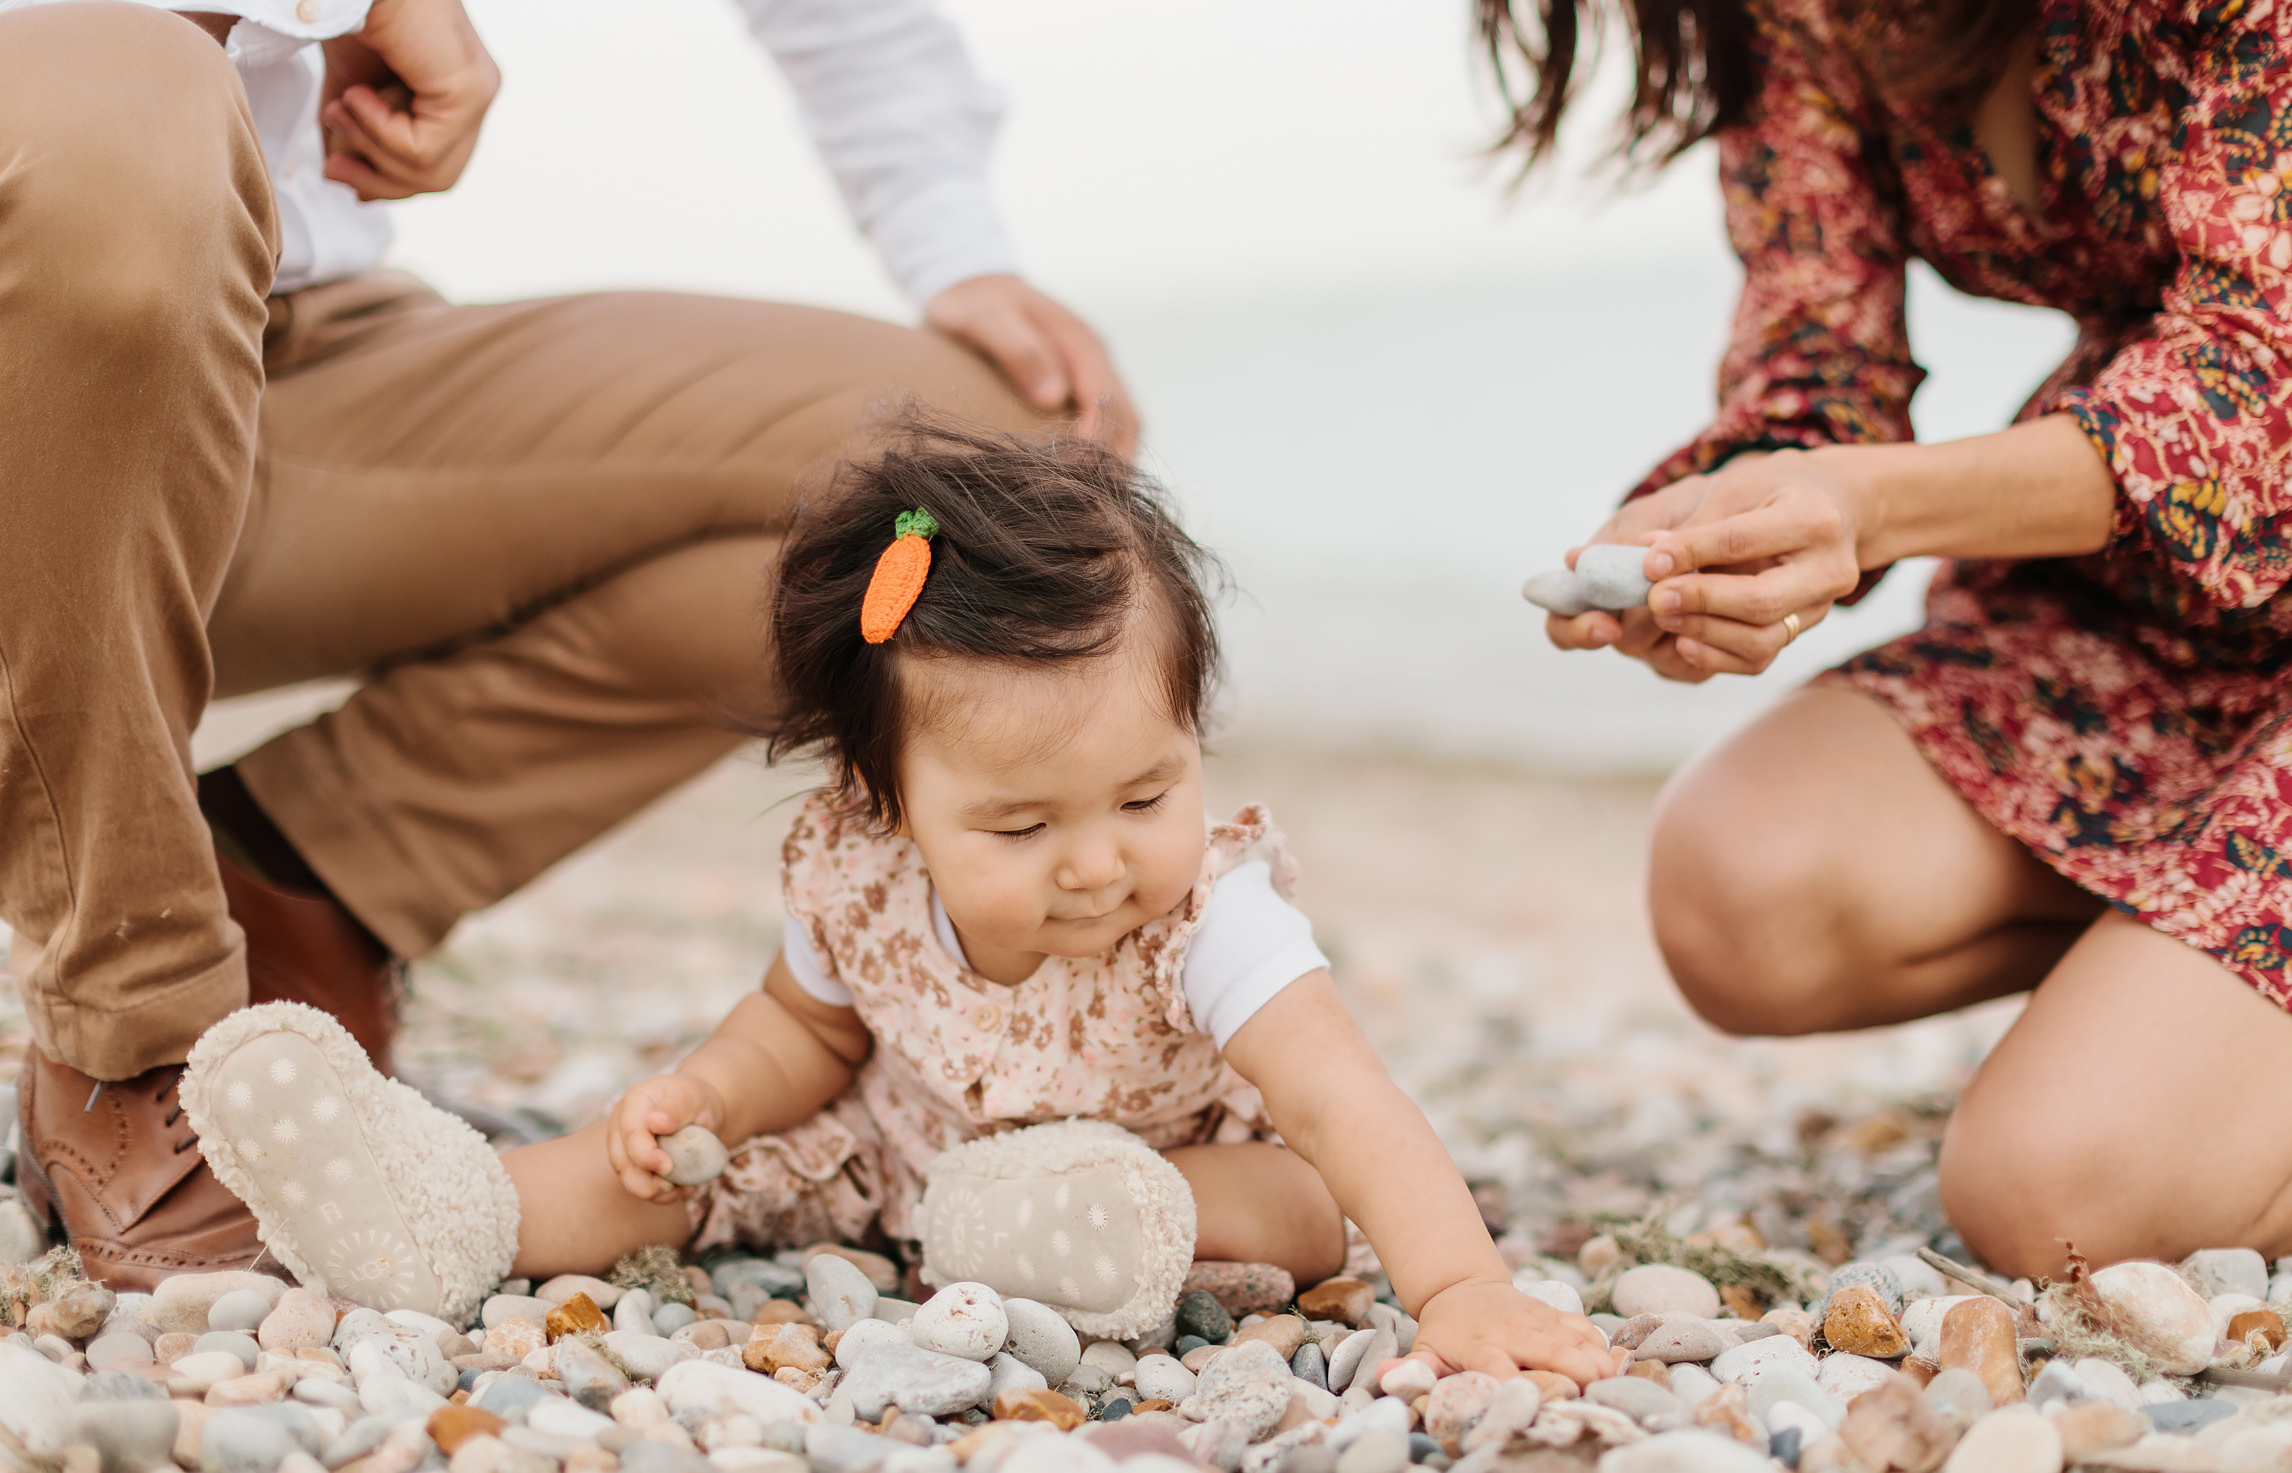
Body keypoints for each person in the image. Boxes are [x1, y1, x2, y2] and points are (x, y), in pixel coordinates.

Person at [1288, 0, 2292, 1275]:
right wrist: (1708, 540)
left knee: (2056, 1203)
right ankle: (2259, 965)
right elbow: (1816, 363)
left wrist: (1860, 509)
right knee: (1739, 888)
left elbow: (2255, 386)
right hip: (2146, 588)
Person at [0, 0, 1137, 1286]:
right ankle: (133, 1026)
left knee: (977, 492)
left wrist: (954, 238)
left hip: (295, 350)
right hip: (20, 335)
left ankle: (304, 880)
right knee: (123, 94)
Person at [177, 417, 1620, 1382]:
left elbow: (1343, 1104)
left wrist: (1456, 1293)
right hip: (900, 1165)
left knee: (1294, 1205)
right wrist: (710, 1098)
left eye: (1144, 794)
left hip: (1185, 1164)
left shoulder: (1211, 916)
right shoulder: (856, 874)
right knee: (672, 1182)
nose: (1097, 860)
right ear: (886, 804)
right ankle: (439, 1207)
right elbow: (801, 1033)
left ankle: (1080, 1227)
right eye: (1018, 821)